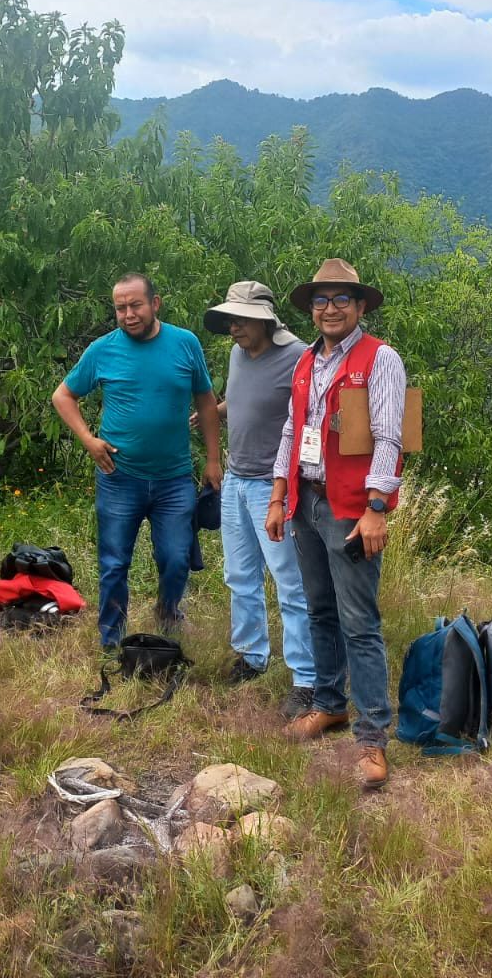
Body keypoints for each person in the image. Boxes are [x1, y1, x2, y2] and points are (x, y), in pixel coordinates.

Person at [265, 259, 407, 791]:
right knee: (319, 610)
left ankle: (372, 736)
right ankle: (329, 704)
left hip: (351, 508)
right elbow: (291, 431)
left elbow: (390, 435)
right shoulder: (306, 361)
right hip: (307, 501)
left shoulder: (380, 359)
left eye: (341, 299)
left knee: (360, 622)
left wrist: (376, 508)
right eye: (321, 301)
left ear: (360, 306)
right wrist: (280, 497)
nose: (329, 309)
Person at [52, 273, 223, 649]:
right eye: (120, 308)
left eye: (135, 305)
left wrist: (213, 460)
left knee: (177, 558)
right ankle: (111, 640)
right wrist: (88, 440)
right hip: (119, 477)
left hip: (174, 477)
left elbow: (206, 403)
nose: (128, 314)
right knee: (114, 564)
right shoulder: (102, 350)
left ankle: (168, 612)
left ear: (155, 303)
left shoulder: (185, 343)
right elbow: (63, 396)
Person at [200, 280, 316, 715]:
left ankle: (306, 679)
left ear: (265, 320)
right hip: (235, 479)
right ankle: (252, 656)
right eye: (230, 319)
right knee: (239, 575)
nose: (233, 327)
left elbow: (311, 417)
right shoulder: (236, 354)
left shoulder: (298, 357)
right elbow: (241, 399)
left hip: (275, 486)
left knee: (290, 584)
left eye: (241, 319)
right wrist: (213, 412)